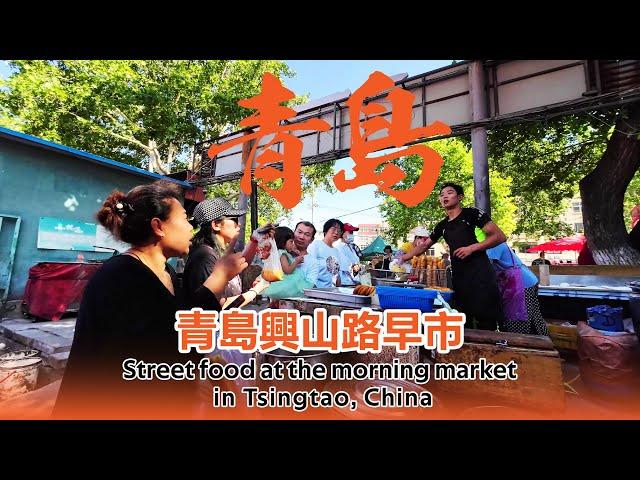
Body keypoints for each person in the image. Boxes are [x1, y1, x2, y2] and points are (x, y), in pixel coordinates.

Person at [53, 180, 248, 419]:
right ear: (159, 226)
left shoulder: (166, 272)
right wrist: (219, 277)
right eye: (185, 219)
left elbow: (181, 327)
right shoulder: (120, 277)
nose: (191, 228)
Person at [401, 182, 507, 331]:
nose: (444, 196)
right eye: (442, 194)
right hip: (459, 278)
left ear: (460, 197)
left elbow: (500, 236)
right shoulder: (442, 225)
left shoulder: (472, 214)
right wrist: (403, 258)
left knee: (486, 321)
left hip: (481, 275)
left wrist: (472, 248)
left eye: (449, 192)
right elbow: (424, 246)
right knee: (464, 320)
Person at [182, 198, 268, 306]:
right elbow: (220, 305)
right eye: (234, 219)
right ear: (216, 225)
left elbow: (241, 263)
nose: (239, 225)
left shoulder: (218, 252)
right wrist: (255, 291)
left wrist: (255, 240)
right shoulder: (205, 256)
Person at [486, 242, 549, 336]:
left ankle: (522, 343)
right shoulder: (494, 243)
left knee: (518, 317)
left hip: (522, 284)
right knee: (533, 317)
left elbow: (486, 266)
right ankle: (543, 342)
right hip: (528, 282)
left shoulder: (494, 244)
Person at [307, 219, 344, 288]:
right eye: (333, 229)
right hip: (316, 291)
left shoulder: (336, 251)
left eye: (339, 231)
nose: (336, 233)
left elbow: (337, 274)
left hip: (332, 292)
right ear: (326, 230)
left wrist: (339, 289)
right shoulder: (316, 245)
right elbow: (308, 267)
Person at [292, 220, 319, 286]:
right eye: (299, 232)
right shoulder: (282, 252)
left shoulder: (313, 262)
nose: (301, 237)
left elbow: (309, 286)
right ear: (293, 233)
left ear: (312, 240)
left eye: (307, 235)